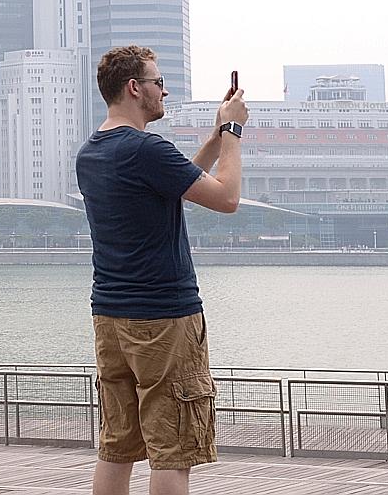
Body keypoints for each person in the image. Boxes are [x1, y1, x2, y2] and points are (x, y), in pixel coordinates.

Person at [76, 46, 248, 495]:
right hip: (164, 318)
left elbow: (179, 183)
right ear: (135, 88)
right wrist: (233, 131)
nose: (164, 90)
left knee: (117, 445)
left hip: (111, 316)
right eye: (157, 82)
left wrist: (213, 136)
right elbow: (226, 198)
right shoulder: (147, 149)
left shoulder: (92, 152)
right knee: (172, 450)